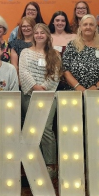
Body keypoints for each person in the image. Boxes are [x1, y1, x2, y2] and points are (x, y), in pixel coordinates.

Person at [18, 23, 62, 179]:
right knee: (31, 130)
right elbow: (23, 71)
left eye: (42, 33)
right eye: (36, 33)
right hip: (29, 96)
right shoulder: (25, 52)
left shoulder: (55, 54)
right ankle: (31, 165)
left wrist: (42, 89)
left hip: (48, 97)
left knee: (46, 129)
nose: (38, 35)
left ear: (48, 35)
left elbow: (55, 76)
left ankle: (50, 165)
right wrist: (35, 87)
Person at [62, 14, 99, 93]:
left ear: (95, 27)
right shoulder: (72, 46)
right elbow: (65, 69)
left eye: (91, 24)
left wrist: (96, 87)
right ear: (80, 27)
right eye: (85, 24)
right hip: (75, 93)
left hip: (98, 93)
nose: (88, 27)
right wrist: (78, 86)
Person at [9, 16, 36, 81]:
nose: (26, 28)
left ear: (33, 27)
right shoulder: (15, 44)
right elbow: (15, 66)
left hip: (38, 77)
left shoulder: (39, 43)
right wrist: (18, 80)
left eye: (28, 26)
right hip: (21, 79)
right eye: (23, 26)